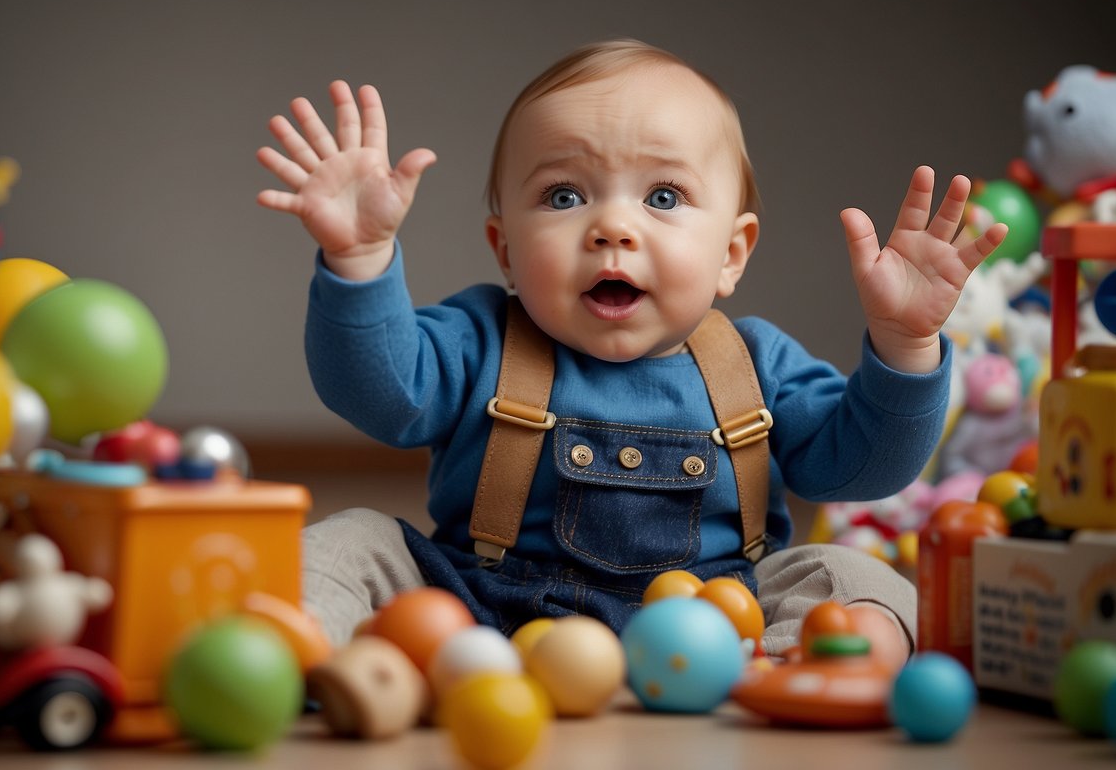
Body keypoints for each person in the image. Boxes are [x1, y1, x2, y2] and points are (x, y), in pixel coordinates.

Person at [256, 39, 1006, 667]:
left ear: (730, 254)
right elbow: (379, 393)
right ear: (506, 251)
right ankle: (315, 656)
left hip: (719, 623)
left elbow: (863, 467)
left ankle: (798, 671)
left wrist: (905, 344)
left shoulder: (753, 365)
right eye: (562, 196)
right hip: (480, 616)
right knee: (353, 541)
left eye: (663, 197)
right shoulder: (480, 336)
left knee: (856, 579)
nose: (612, 226)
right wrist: (360, 262)